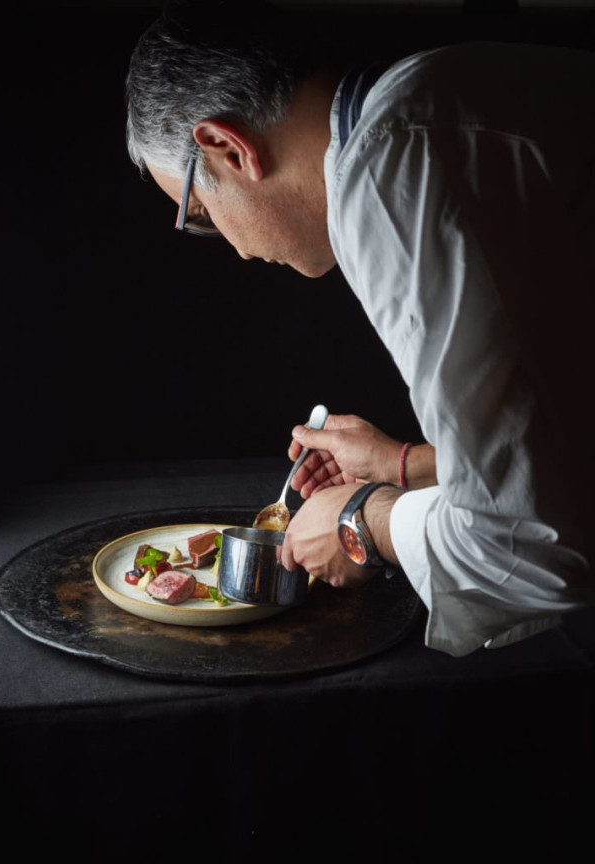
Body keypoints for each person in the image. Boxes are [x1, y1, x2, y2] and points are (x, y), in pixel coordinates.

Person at [125, 1, 595, 655]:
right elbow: (570, 448)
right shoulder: (439, 92)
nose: (237, 251)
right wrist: (407, 465)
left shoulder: (394, 169)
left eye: (200, 212)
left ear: (229, 147)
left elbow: (536, 547)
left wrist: (363, 523)